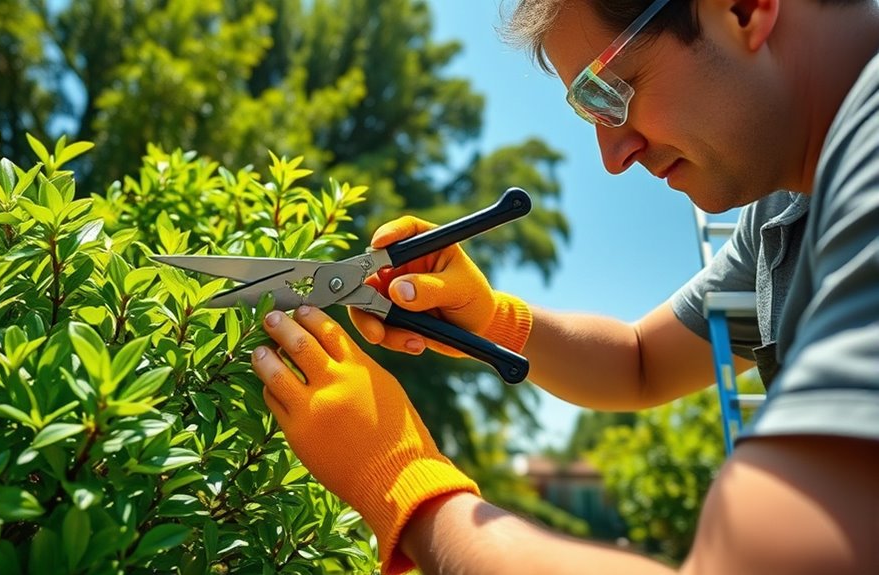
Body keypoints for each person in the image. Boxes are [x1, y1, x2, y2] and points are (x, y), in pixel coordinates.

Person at [250, 0, 879, 573]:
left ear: (743, 9)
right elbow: (640, 362)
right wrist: (492, 319)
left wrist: (403, 483)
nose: (614, 155)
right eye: (590, 110)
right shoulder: (781, 218)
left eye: (613, 89)